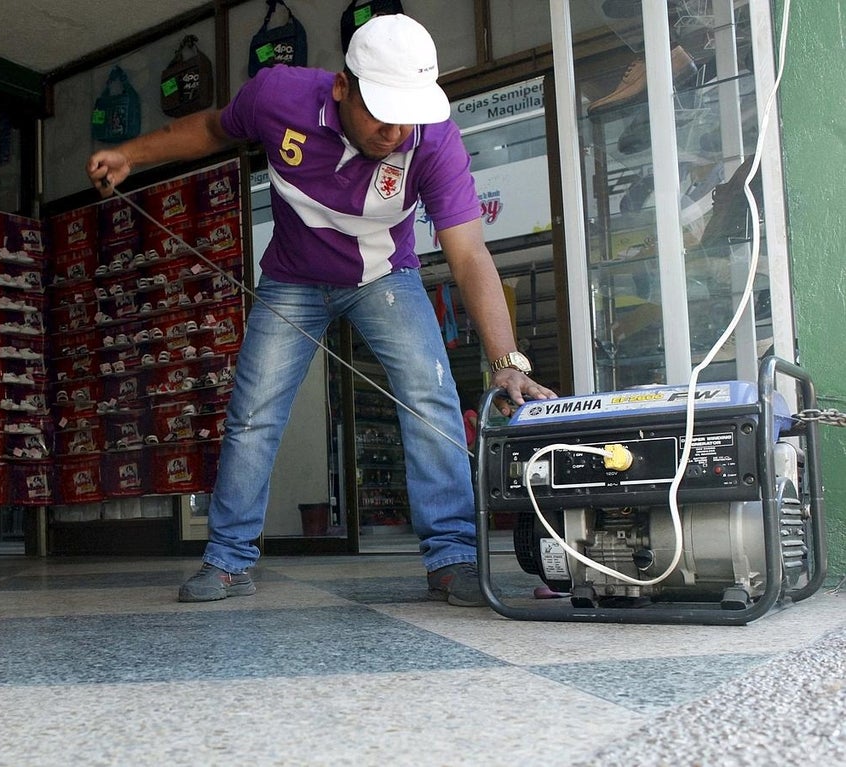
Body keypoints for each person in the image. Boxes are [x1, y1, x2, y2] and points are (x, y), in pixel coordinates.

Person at [87, 14, 557, 606]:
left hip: (385, 278)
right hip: (291, 278)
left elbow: (468, 254)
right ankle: (228, 559)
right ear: (342, 87)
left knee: (430, 401)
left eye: (406, 115)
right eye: (381, 112)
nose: (394, 131)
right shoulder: (278, 96)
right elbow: (210, 128)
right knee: (253, 414)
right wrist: (129, 154)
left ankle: (453, 558)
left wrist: (506, 360)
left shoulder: (433, 139)